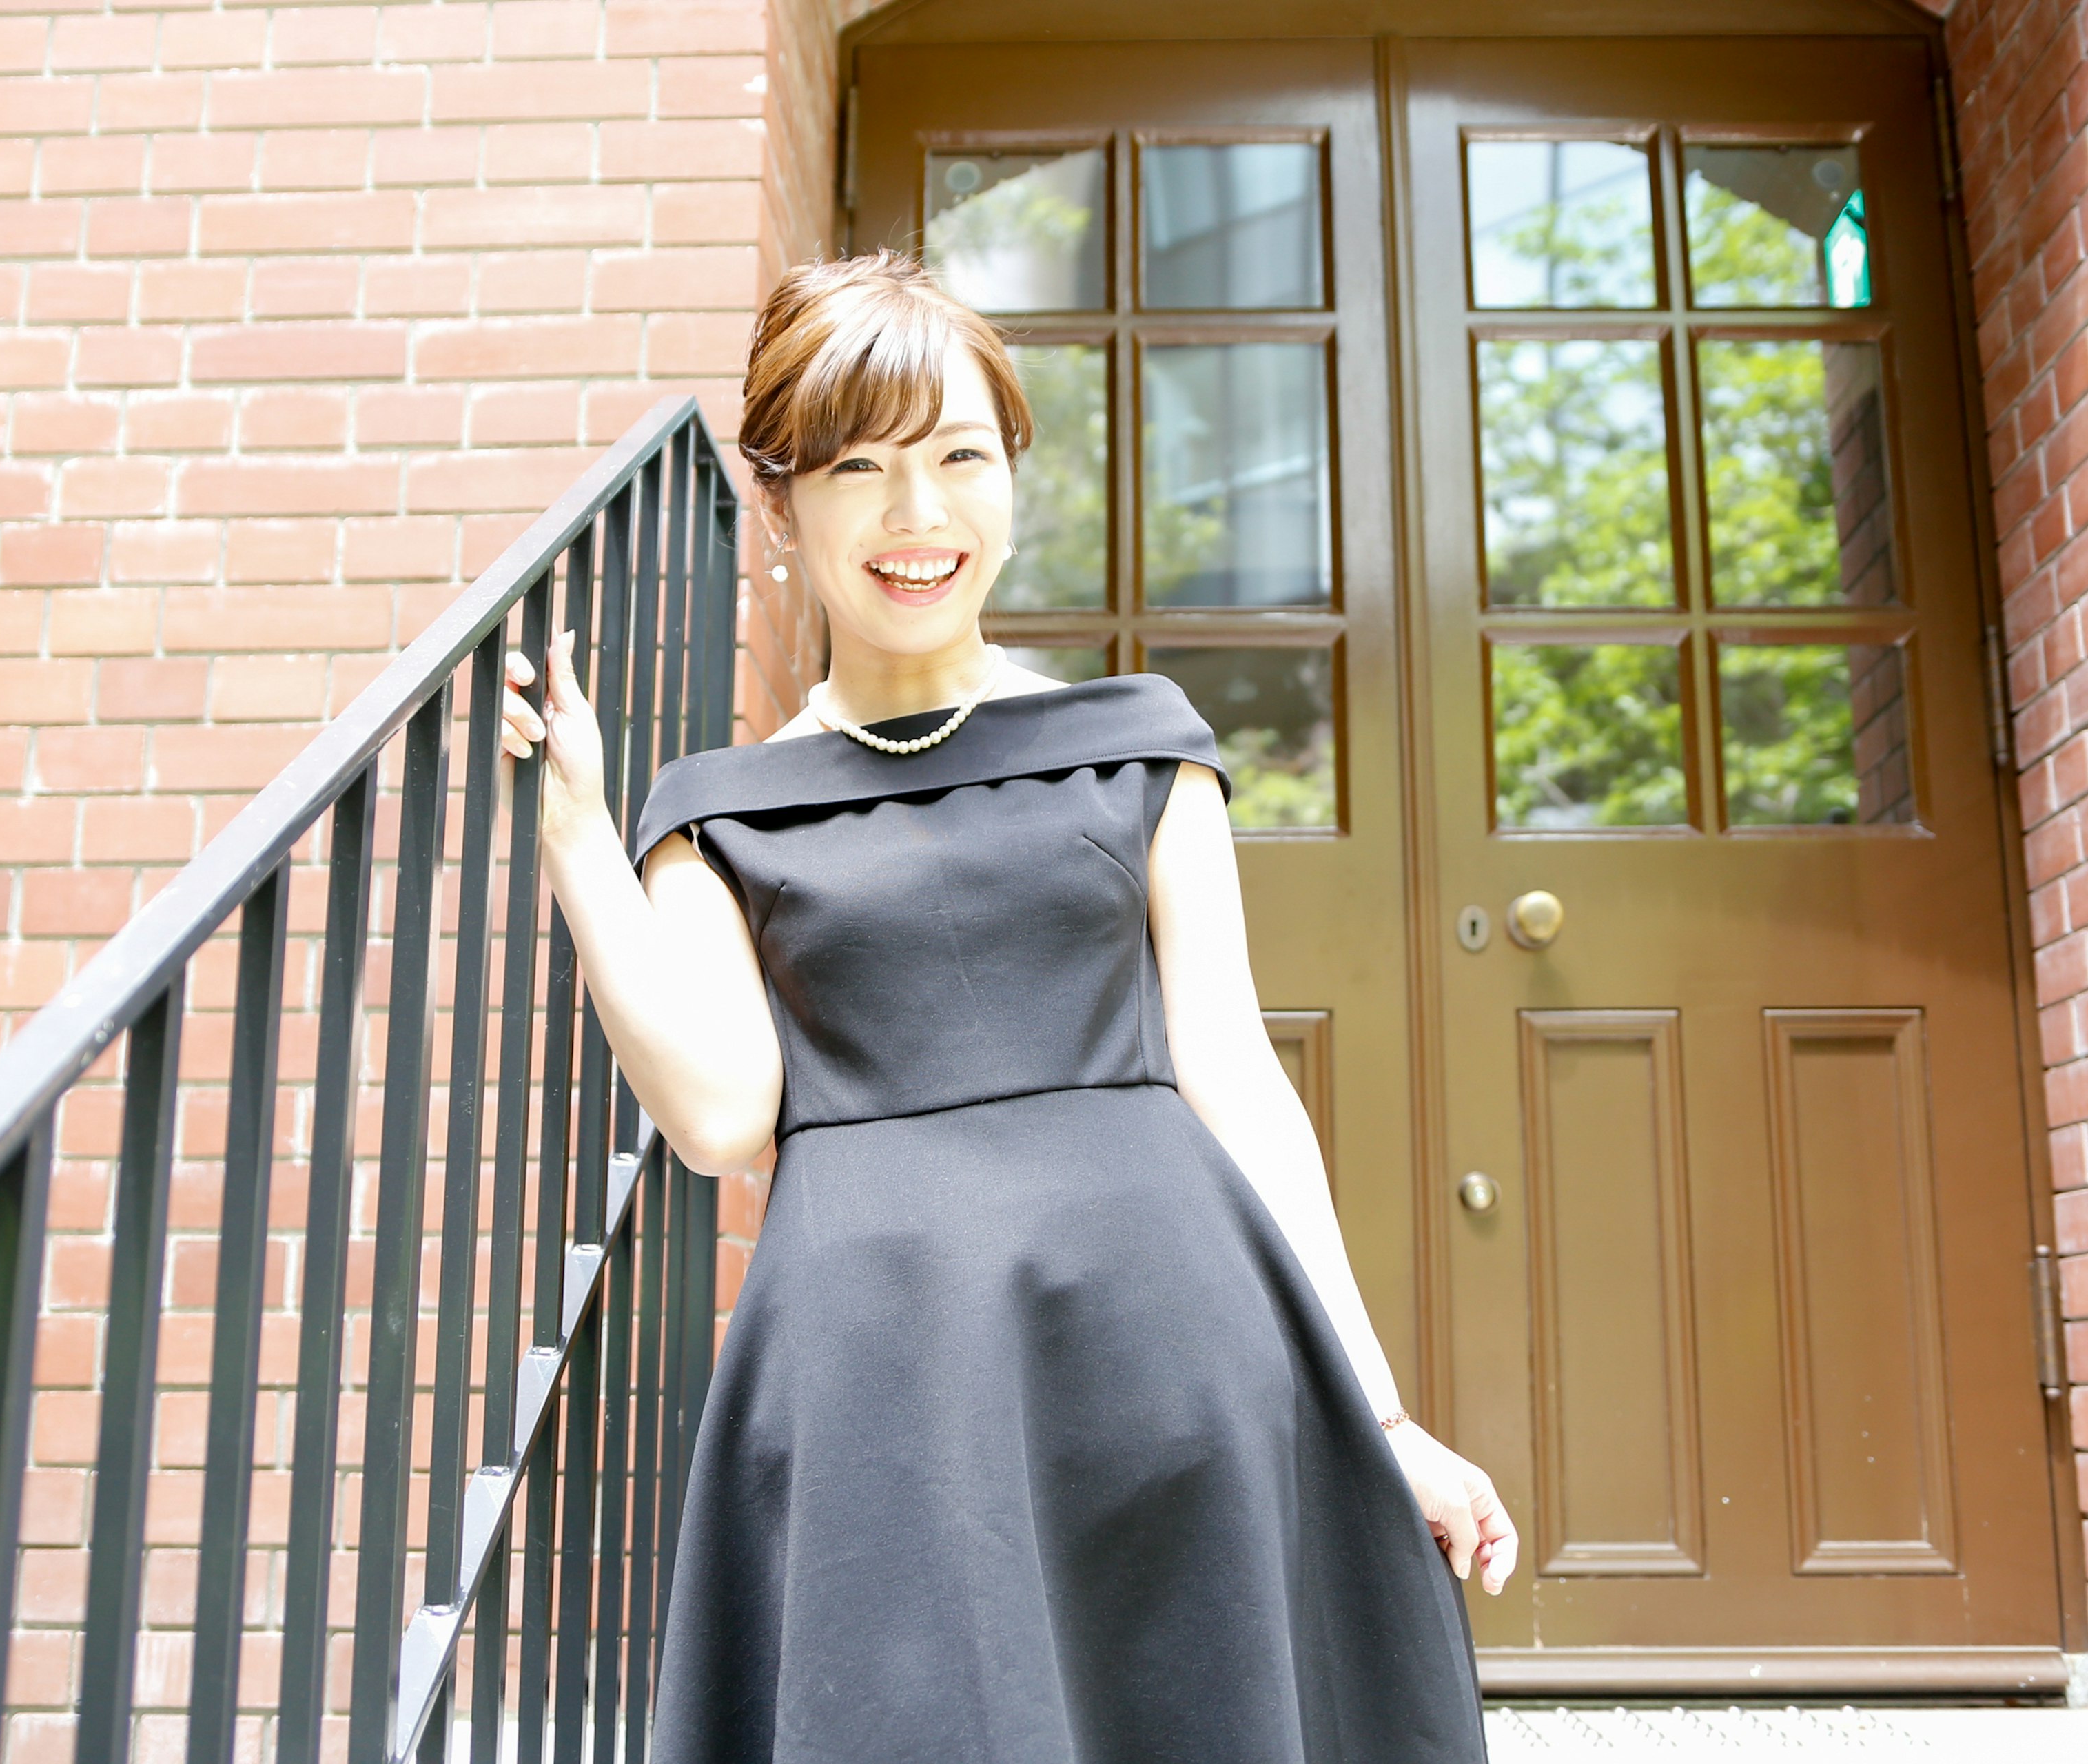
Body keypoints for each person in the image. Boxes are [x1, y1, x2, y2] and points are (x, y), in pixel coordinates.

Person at [498, 249, 1514, 1763]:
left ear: (1013, 475)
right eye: (861, 468)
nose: (921, 518)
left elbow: (1237, 1077)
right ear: (783, 506)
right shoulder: (722, 812)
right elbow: (720, 1117)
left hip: (1166, 1350)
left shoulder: (1139, 744)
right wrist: (585, 845)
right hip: (883, 1392)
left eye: (961, 458)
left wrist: (1377, 1416)